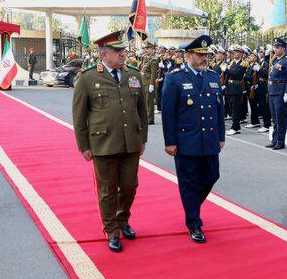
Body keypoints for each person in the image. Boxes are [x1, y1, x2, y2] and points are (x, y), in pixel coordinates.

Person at [71, 30, 148, 253]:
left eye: (123, 50)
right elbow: (79, 115)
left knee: (129, 186)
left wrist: (142, 137)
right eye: (118, 51)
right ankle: (111, 229)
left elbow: (142, 110)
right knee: (107, 190)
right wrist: (83, 145)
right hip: (103, 142)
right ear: (104, 54)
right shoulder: (87, 77)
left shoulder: (134, 75)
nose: (123, 54)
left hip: (130, 141)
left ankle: (123, 219)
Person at [161, 34, 225, 244]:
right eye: (200, 54)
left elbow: (219, 109)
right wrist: (170, 142)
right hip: (186, 141)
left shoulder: (213, 77)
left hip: (209, 139)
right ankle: (194, 223)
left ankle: (192, 207)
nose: (204, 57)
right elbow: (168, 113)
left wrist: (221, 136)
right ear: (188, 56)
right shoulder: (175, 78)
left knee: (212, 176)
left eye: (206, 54)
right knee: (188, 183)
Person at [267, 38, 287, 150]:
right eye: (275, 47)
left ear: (284, 48)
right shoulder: (274, 60)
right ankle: (274, 140)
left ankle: (280, 141)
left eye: (278, 47)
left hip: (280, 92)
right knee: (274, 118)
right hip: (272, 91)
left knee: (280, 118)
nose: (275, 49)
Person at [224, 46, 249, 135]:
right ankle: (236, 127)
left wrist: (226, 70)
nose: (234, 53)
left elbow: (236, 74)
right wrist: (225, 84)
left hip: (236, 87)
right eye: (234, 52)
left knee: (235, 109)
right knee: (231, 108)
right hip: (230, 87)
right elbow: (228, 76)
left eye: (237, 52)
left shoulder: (243, 64)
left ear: (241, 54)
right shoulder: (232, 63)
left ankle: (234, 127)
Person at [140, 44, 159, 125]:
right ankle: (146, 117)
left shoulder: (154, 60)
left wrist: (151, 84)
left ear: (153, 50)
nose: (147, 50)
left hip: (148, 83)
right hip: (143, 82)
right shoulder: (144, 58)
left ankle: (150, 119)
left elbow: (153, 73)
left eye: (149, 49)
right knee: (144, 101)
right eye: (146, 49)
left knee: (149, 102)